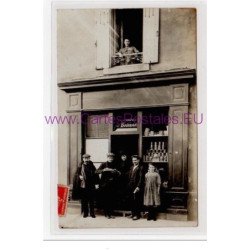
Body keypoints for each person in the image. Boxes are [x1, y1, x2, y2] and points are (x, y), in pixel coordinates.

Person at [72, 154, 98, 218]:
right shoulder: (80, 166)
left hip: (91, 185)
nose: (86, 159)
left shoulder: (92, 165)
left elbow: (96, 174)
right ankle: (85, 213)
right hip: (83, 185)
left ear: (89, 159)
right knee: (84, 200)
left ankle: (92, 213)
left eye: (88, 158)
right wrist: (79, 176)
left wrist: (96, 183)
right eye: (85, 158)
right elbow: (77, 174)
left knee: (91, 200)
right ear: (83, 159)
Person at [96, 153, 121, 219]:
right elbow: (96, 171)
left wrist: (116, 172)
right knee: (106, 199)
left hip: (113, 185)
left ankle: (111, 213)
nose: (111, 158)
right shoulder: (103, 164)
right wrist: (104, 170)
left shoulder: (115, 164)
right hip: (105, 185)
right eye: (109, 157)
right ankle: (106, 214)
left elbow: (119, 173)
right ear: (107, 158)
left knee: (112, 199)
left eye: (112, 157)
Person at [126, 155, 144, 220]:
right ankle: (133, 214)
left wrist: (138, 187)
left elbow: (141, 179)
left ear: (138, 160)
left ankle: (137, 215)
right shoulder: (131, 167)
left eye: (135, 160)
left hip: (136, 187)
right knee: (132, 201)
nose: (134, 161)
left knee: (137, 201)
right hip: (130, 186)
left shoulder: (141, 167)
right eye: (133, 160)